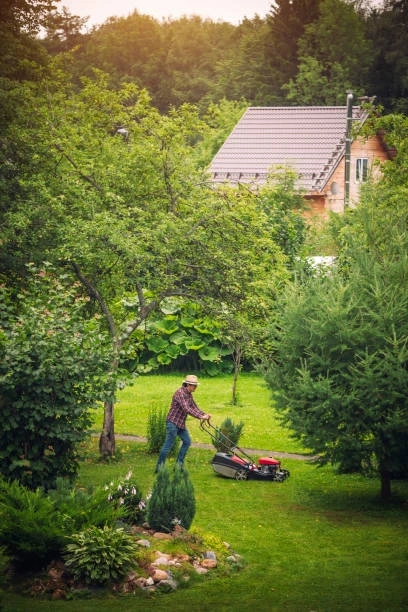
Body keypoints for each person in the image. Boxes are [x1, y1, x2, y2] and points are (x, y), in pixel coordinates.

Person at [155, 374, 211, 472]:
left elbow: (194, 407)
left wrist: (204, 414)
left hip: (180, 424)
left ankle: (178, 466)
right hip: (172, 423)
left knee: (187, 442)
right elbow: (187, 408)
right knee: (168, 445)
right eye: (195, 385)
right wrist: (200, 417)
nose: (196, 387)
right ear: (188, 385)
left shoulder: (189, 394)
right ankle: (159, 468)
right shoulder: (180, 393)